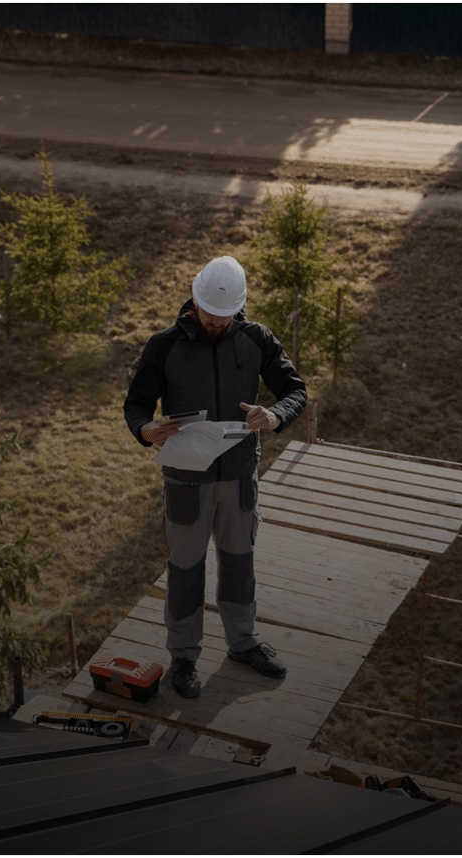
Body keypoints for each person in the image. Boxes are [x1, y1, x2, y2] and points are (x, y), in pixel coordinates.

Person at [124, 255, 308, 698]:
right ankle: (184, 656)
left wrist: (275, 414)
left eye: (225, 316)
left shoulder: (256, 340)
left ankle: (243, 643)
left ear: (238, 309)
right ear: (195, 300)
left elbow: (295, 390)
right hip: (185, 478)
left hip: (239, 474)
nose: (216, 322)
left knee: (239, 563)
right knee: (185, 569)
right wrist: (146, 430)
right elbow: (136, 405)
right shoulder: (164, 346)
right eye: (209, 313)